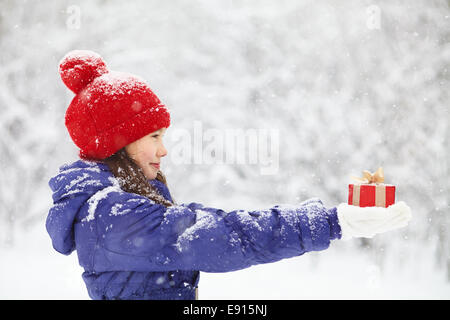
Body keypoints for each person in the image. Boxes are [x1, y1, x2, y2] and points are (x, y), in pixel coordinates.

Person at [46, 50, 412, 300]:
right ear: (118, 144)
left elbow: (211, 225)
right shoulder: (114, 216)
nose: (163, 149)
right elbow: (224, 235)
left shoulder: (117, 207)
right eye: (154, 137)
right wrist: (332, 222)